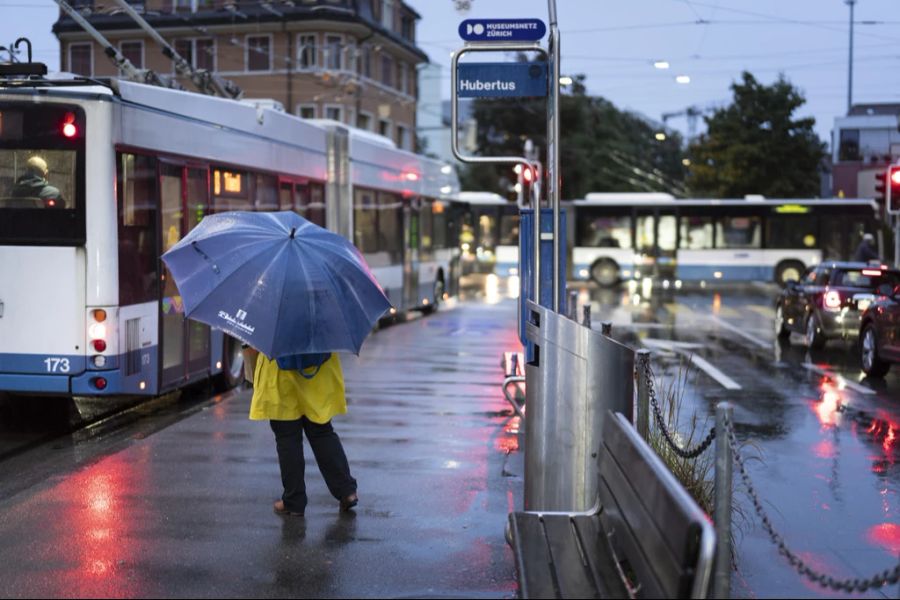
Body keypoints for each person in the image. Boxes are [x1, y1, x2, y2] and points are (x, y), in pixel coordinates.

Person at [246, 347, 358, 517]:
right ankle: (346, 491)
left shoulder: (274, 320)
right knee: (322, 432)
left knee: (287, 437)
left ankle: (294, 502)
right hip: (319, 370)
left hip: (279, 373)